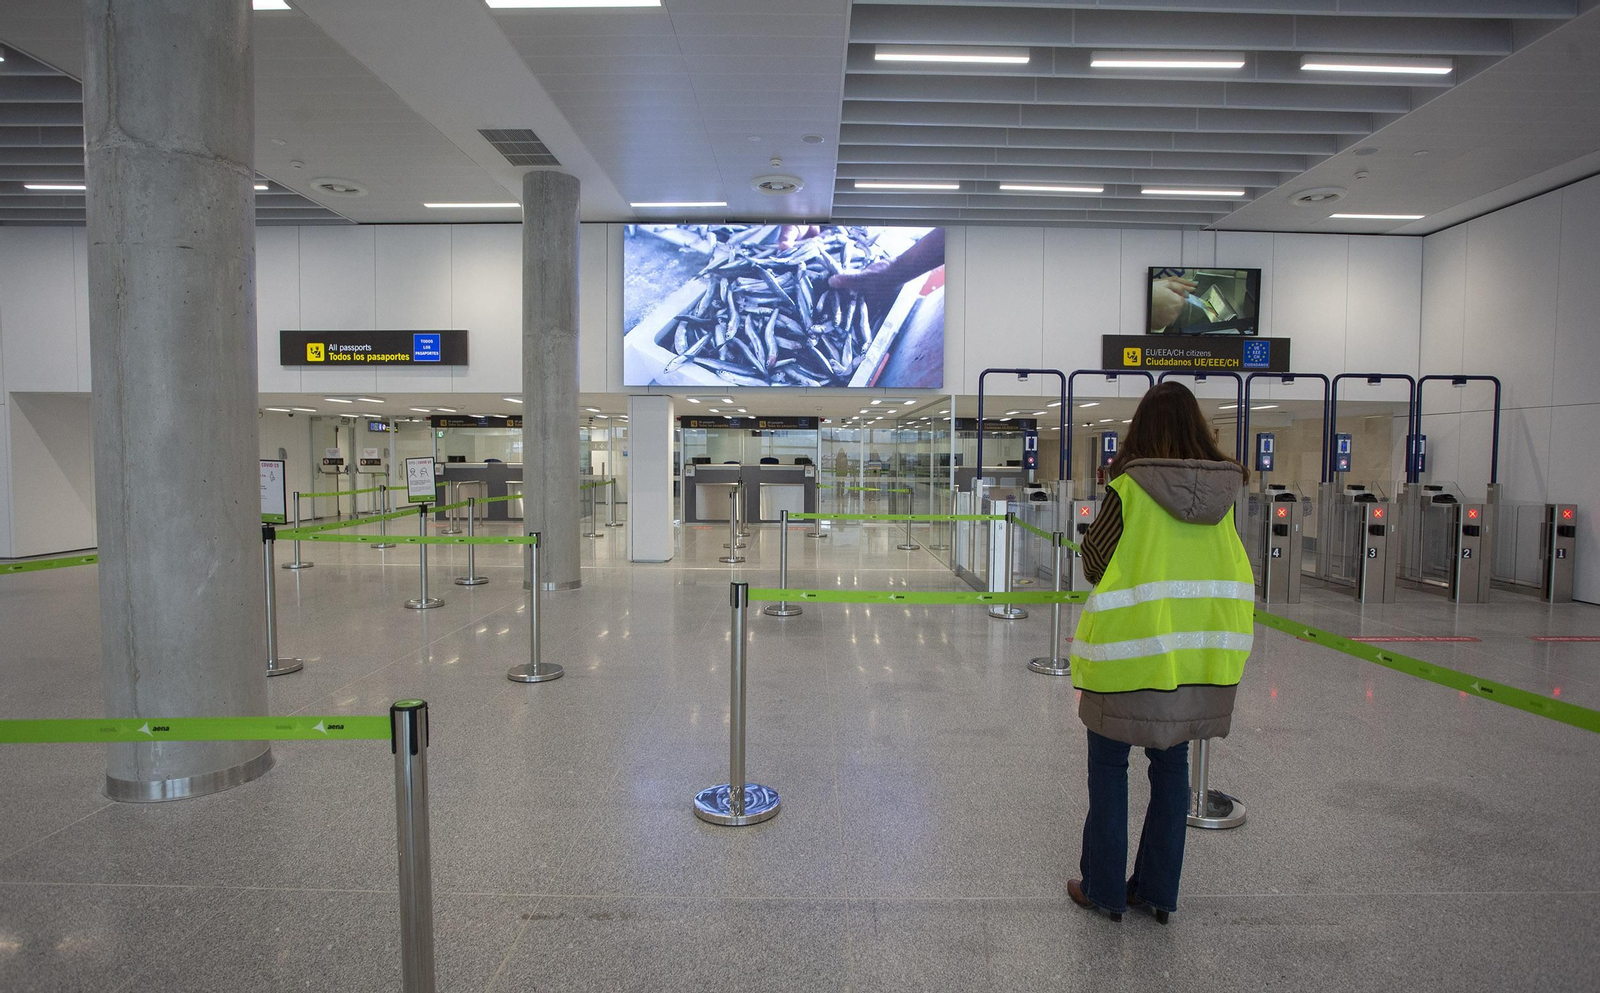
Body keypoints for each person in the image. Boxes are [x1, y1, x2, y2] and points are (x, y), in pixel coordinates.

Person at [1065, 382, 1254, 925]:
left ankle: (1103, 890)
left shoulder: (1129, 488)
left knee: (1109, 768)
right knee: (1172, 773)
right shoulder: (1226, 496)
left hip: (1126, 658)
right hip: (1193, 662)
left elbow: (1096, 561)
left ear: (1143, 429)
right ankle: (1157, 892)